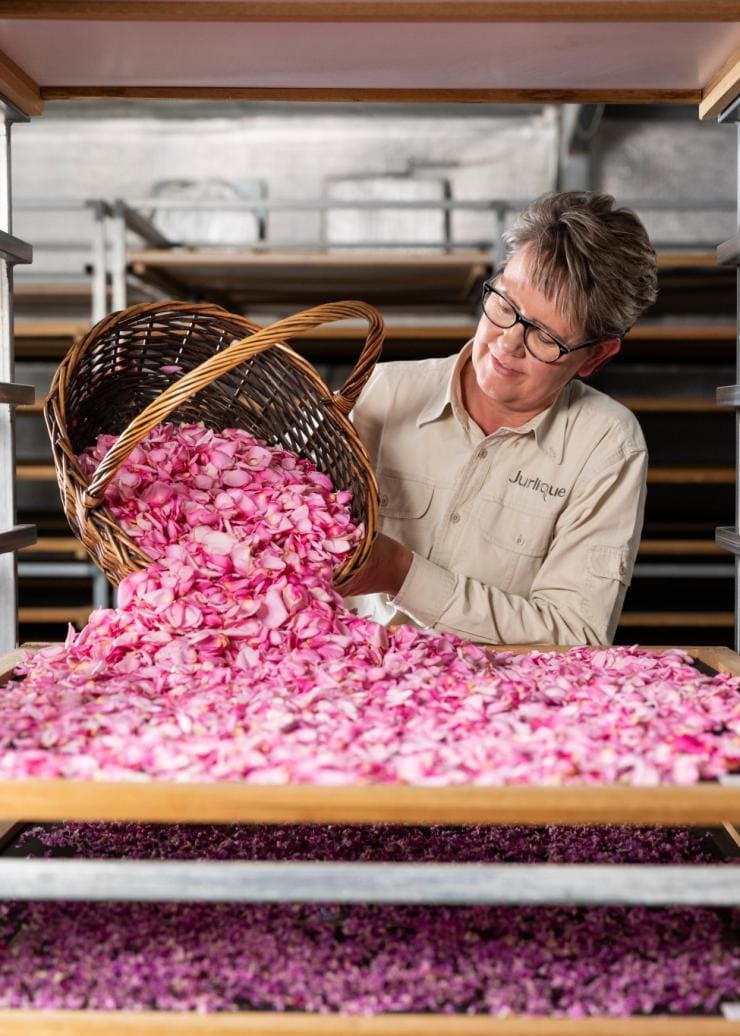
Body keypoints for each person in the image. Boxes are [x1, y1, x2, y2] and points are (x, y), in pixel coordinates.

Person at [343, 191, 658, 646]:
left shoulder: (606, 445)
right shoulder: (381, 393)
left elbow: (576, 634)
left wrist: (402, 574)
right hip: (343, 684)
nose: (507, 343)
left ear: (595, 356)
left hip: (503, 702)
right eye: (505, 307)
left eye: (546, 337)